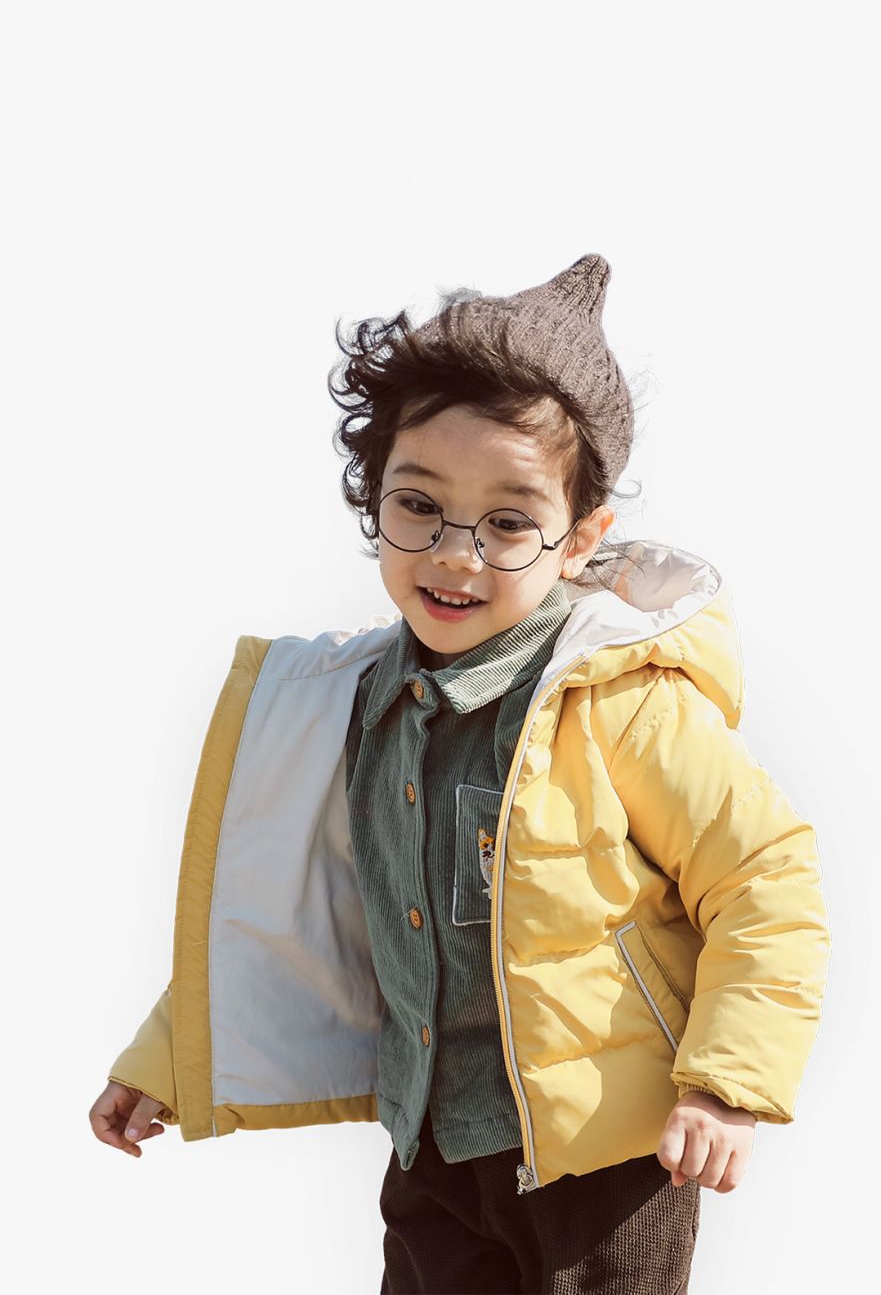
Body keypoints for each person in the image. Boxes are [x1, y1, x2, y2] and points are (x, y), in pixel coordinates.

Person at [89, 253, 831, 1294]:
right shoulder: (353, 703)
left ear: (580, 540)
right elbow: (287, 910)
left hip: (606, 1157)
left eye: (509, 521)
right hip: (433, 1141)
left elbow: (765, 879)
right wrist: (169, 1055)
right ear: (374, 499)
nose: (455, 555)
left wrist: (726, 1083)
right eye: (419, 505)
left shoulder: (619, 701)